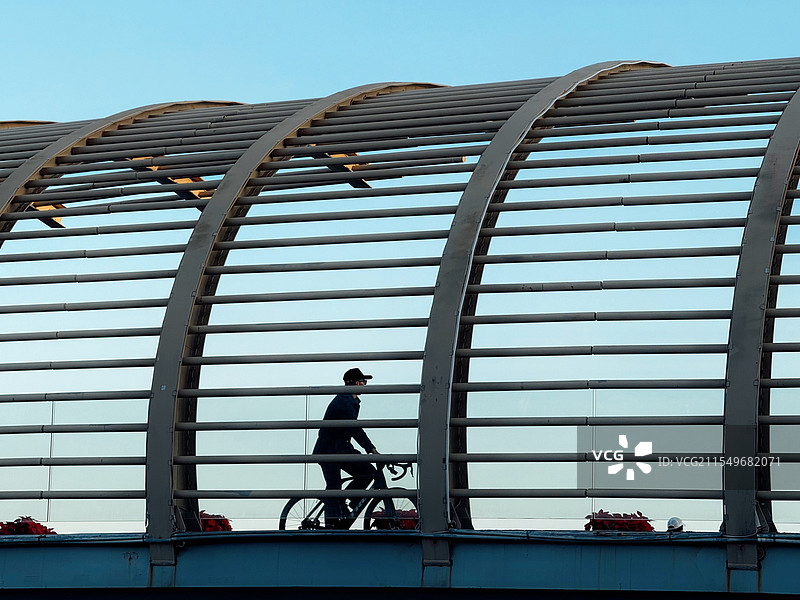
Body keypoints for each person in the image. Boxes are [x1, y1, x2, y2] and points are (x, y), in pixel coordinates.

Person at [313, 367, 389, 528]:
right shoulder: (344, 401)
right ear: (354, 383)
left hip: (342, 448)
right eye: (363, 382)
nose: (365, 385)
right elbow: (355, 428)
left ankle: (349, 503)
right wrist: (371, 449)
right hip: (328, 450)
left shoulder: (352, 401)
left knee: (368, 472)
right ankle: (331, 526)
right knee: (334, 488)